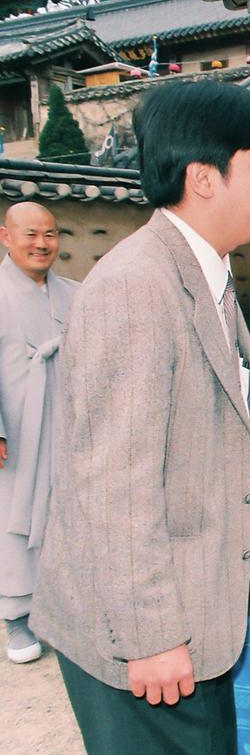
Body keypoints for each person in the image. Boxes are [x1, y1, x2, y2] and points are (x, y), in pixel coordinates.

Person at [31, 81, 250, 752]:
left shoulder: (204, 272)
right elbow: (114, 484)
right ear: (204, 178)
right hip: (146, 642)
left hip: (196, 615)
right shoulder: (136, 287)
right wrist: (150, 635)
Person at [0, 202, 77, 664]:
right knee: (13, 512)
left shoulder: (74, 292)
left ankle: (67, 606)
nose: (42, 244)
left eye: (50, 234)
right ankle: (17, 614)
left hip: (69, 419)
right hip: (16, 423)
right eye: (31, 234)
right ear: (6, 237)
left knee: (71, 507)